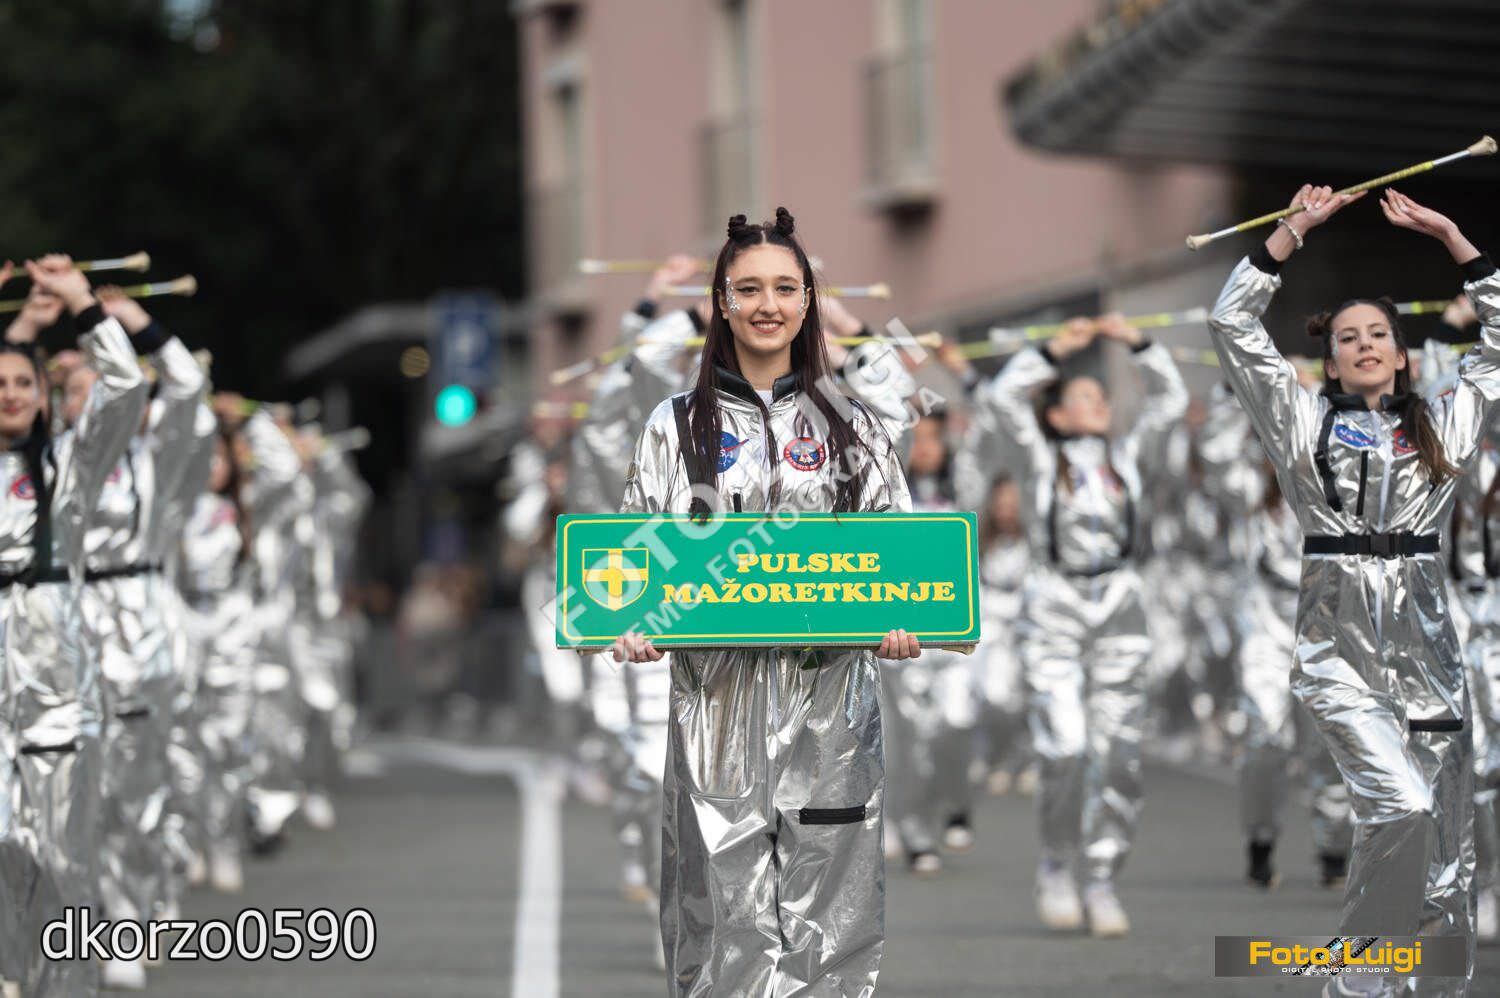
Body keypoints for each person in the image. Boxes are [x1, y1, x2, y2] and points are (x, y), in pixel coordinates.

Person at [612, 208, 918, 996]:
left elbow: (900, 553)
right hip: (714, 701)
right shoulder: (674, 426)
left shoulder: (854, 422)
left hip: (831, 699)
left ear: (809, 301)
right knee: (723, 925)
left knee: (833, 926)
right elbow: (632, 559)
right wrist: (632, 627)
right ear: (721, 302)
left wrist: (903, 623)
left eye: (785, 287)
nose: (767, 304)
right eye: (747, 289)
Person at [1208, 183, 1497, 996]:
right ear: (1328, 359)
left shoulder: (1446, 421)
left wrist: (1453, 238)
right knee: (1400, 807)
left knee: (1444, 854)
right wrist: (1290, 233)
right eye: (1347, 337)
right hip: (1339, 654)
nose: (1364, 345)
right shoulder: (1301, 424)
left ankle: (1429, 986)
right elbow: (1231, 326)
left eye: (1378, 335)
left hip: (1430, 653)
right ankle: (1355, 984)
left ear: (1404, 355)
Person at [979, 310, 1187, 937]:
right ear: (1058, 415)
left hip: (1120, 602)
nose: (1097, 403)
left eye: (1102, 396)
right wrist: (1052, 351)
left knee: (1116, 752)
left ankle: (1101, 877)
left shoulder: (1129, 457)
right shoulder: (1039, 461)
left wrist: (1138, 345)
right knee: (1065, 746)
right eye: (1083, 397)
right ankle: (1055, 863)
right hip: (1054, 602)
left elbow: (1171, 401)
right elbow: (1003, 399)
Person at [0, 255, 149, 996]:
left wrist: (82, 302)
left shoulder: (68, 468)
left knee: (62, 861)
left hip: (55, 693)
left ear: (44, 397)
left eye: (24, 383)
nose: (10, 394)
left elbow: (124, 388)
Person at [55, 286, 206, 990]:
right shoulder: (47, 461)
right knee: (71, 791)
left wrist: (135, 320)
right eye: (74, 391)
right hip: (65, 626)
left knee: (136, 790)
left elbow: (188, 384)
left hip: (140, 628)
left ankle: (133, 918)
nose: (90, 402)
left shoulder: (156, 458)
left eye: (101, 388)